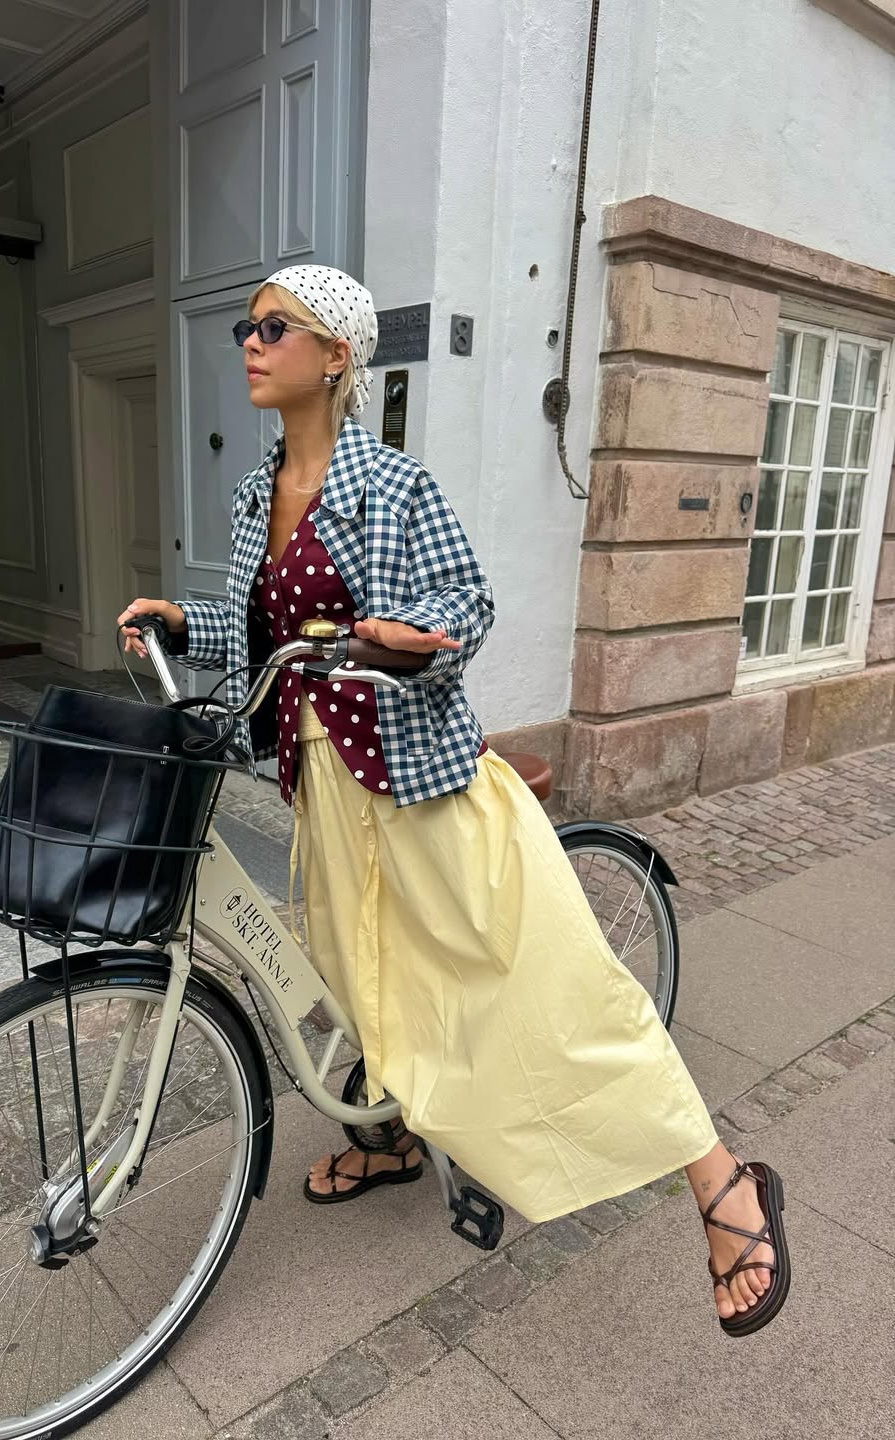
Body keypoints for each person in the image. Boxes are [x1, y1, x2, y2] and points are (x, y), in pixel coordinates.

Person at [119, 265, 790, 1336]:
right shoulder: (256, 492)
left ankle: (723, 1181)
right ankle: (397, 1135)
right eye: (247, 327)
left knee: (545, 998)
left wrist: (409, 642)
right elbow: (266, 625)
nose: (249, 341)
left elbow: (460, 600)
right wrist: (187, 625)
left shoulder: (392, 485)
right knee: (363, 981)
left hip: (420, 793)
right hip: (323, 793)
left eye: (273, 326)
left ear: (335, 354)